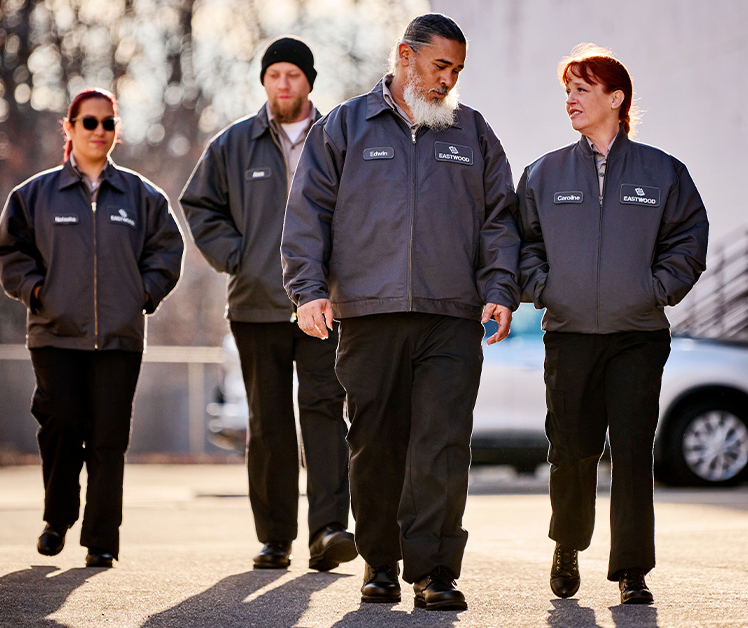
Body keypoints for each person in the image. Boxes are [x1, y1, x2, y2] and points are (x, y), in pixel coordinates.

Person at [281, 13, 519, 611]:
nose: (448, 80)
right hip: (369, 313)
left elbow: (499, 219)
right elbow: (307, 214)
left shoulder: (472, 132)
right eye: (440, 66)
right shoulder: (344, 126)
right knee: (376, 445)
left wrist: (500, 286)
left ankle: (435, 571)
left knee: (442, 444)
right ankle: (381, 563)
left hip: (451, 315)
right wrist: (308, 291)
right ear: (405, 56)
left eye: (457, 70)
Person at [515, 44, 708, 604]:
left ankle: (632, 569)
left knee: (632, 452)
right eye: (567, 91)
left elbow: (687, 240)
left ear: (616, 98)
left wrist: (655, 290)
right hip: (570, 334)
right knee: (570, 449)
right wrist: (545, 289)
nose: (570, 100)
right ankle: (567, 545)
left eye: (581, 89)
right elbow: (521, 243)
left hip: (637, 336)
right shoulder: (544, 173)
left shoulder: (662, 172)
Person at [179, 36, 355, 572]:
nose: (283, 84)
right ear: (263, 81)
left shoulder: (338, 138)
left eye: (293, 75)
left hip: (324, 304)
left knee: (325, 415)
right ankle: (275, 538)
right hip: (256, 305)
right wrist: (240, 258)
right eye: (274, 74)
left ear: (309, 82)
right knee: (269, 423)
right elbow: (199, 205)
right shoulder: (233, 144)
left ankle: (328, 531)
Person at [0, 88, 185, 568]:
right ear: (70, 127)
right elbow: (9, 252)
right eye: (90, 122)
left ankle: (101, 540)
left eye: (108, 123)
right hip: (54, 334)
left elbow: (168, 251)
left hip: (119, 338)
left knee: (108, 438)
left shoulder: (142, 196)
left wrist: (142, 295)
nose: (100, 131)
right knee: (61, 423)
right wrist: (37, 291)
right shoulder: (33, 195)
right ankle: (57, 518)